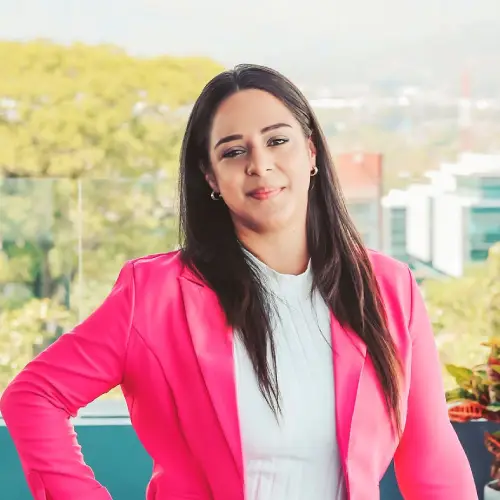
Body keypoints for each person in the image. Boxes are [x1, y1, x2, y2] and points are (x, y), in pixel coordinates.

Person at [0, 64, 477, 500]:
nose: (259, 164)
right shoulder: (154, 295)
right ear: (211, 176)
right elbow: (34, 396)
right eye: (233, 151)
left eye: (277, 140)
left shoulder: (388, 288)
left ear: (311, 151)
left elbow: (431, 460)